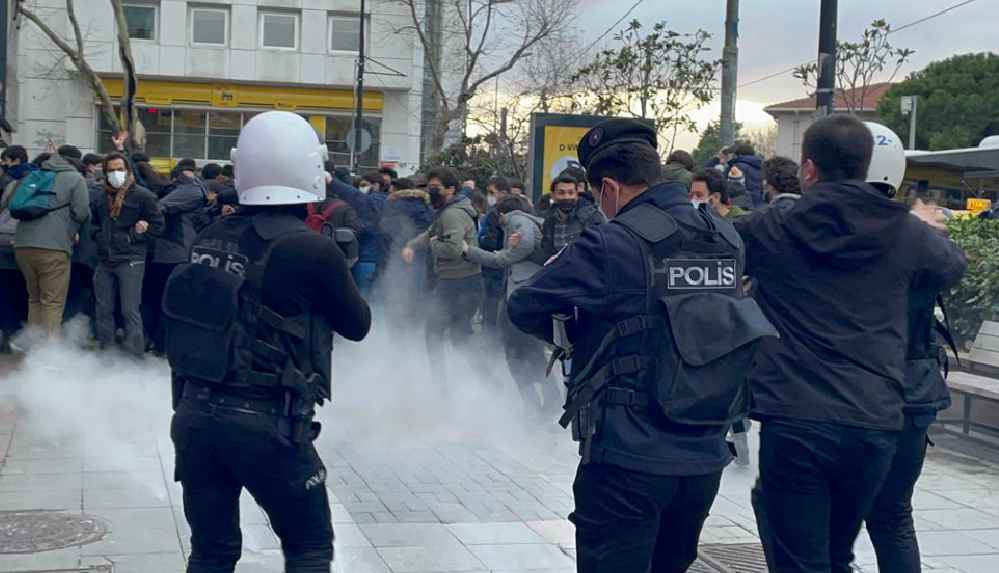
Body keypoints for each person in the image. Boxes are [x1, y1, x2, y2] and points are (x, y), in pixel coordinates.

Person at [507, 119, 777, 572]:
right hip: (704, 453)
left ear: (608, 188)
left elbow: (525, 304)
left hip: (628, 456)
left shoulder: (613, 241)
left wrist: (579, 334)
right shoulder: (723, 235)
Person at [734, 117, 967, 573]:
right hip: (875, 421)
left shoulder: (774, 227)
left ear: (808, 170)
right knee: (837, 553)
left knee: (801, 558)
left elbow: (713, 244)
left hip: (798, 418)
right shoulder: (907, 233)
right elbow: (952, 266)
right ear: (867, 167)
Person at [164, 111, 371, 573]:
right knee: (309, 547)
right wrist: (342, 266)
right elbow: (357, 324)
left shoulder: (213, 234)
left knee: (211, 552)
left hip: (195, 416)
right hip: (265, 422)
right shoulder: (313, 248)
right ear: (313, 170)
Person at [861, 126, 967, 573]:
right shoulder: (923, 240)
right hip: (913, 394)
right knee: (893, 516)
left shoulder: (830, 233)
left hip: (852, 396)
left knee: (821, 525)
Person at [463, 194, 558, 416]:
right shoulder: (532, 222)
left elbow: (513, 253)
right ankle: (542, 400)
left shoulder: (517, 219)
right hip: (526, 295)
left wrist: (470, 252)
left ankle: (537, 402)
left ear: (502, 212)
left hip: (521, 296)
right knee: (526, 351)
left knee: (519, 352)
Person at [0, 145, 90, 339]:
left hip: (22, 244)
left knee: (35, 298)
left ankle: (33, 347)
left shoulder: (33, 175)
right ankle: (47, 353)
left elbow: (7, 203)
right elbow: (82, 212)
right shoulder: (75, 178)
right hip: (53, 246)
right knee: (52, 301)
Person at [401, 167, 481, 386]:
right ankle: (456, 381)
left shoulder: (453, 214)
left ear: (451, 190)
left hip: (461, 283)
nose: (431, 192)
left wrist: (434, 244)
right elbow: (431, 232)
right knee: (450, 336)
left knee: (444, 335)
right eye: (429, 187)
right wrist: (412, 245)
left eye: (436, 188)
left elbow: (454, 249)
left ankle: (463, 382)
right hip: (453, 282)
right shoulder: (446, 210)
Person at [89, 152, 164, 355]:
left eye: (119, 169)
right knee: (102, 309)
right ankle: (107, 353)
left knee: (129, 310)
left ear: (128, 170)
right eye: (111, 170)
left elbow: (158, 226)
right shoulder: (99, 195)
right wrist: (98, 235)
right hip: (105, 259)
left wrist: (136, 235)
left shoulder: (143, 195)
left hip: (131, 259)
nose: (116, 173)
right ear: (105, 172)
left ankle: (135, 355)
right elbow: (93, 223)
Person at [143, 158, 207, 352]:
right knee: (165, 301)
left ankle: (154, 342)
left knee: (153, 300)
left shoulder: (181, 190)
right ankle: (160, 344)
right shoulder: (193, 190)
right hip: (175, 253)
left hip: (165, 252)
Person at [533, 173, 604, 264]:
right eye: (561, 193)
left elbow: (599, 247)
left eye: (571, 193)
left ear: (577, 195)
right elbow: (546, 251)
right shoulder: (549, 220)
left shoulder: (591, 216)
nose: (566, 197)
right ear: (553, 195)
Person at [479, 176, 513, 335]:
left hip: (493, 268)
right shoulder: (518, 209)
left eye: (492, 192)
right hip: (507, 269)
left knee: (491, 311)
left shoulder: (495, 213)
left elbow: (490, 243)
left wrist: (481, 240)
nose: (489, 196)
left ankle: (489, 348)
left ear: (503, 193)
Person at [727, 141, 765, 208]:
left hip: (742, 205)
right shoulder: (760, 166)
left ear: (738, 154)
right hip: (759, 203)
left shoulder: (738, 167)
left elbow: (732, 188)